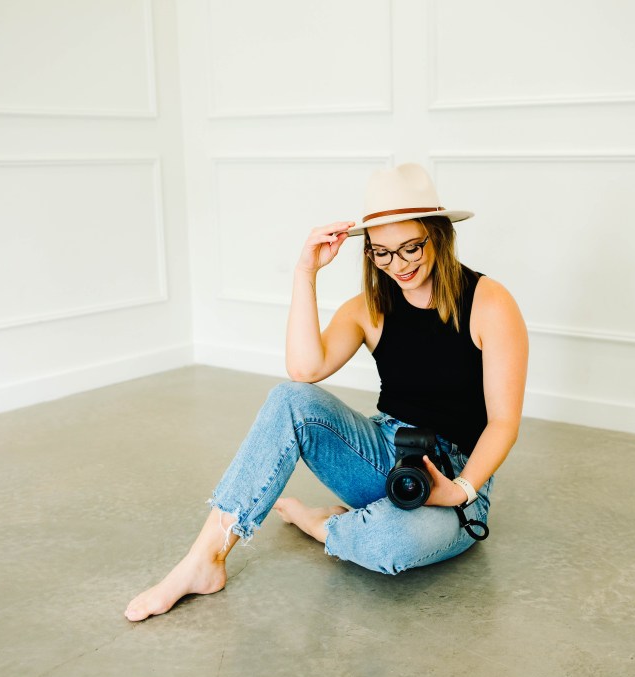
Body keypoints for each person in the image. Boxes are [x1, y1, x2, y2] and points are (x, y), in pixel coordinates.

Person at [125, 163, 528, 622]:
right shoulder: (370, 308)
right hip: (383, 456)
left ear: (439, 234)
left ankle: (321, 523)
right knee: (289, 398)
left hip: (458, 473)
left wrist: (460, 491)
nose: (399, 265)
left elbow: (503, 422)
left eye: (411, 247)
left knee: (390, 545)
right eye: (382, 253)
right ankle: (205, 559)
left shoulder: (489, 302)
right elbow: (304, 369)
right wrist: (305, 273)